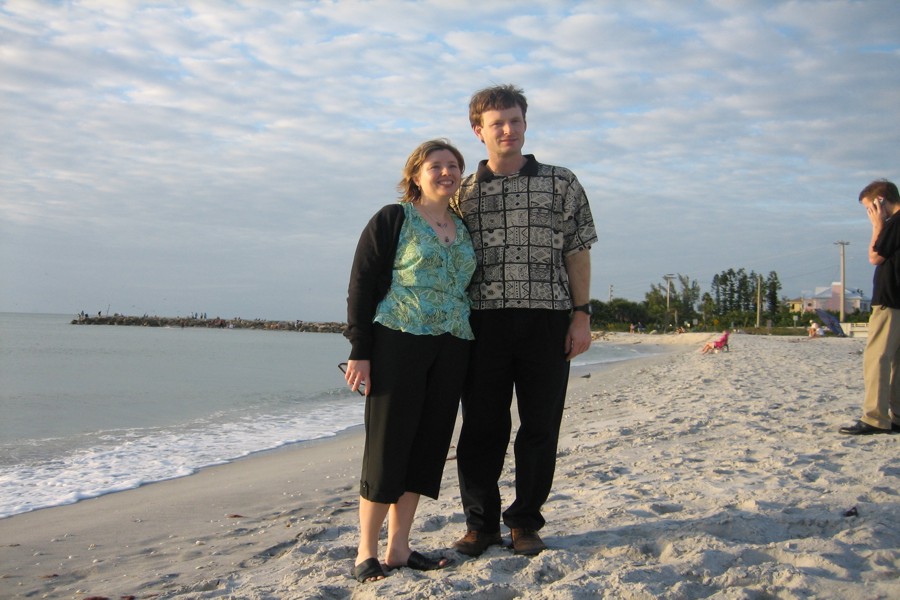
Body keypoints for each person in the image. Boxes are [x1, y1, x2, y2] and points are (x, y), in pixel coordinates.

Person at [450, 84, 597, 557]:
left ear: (525, 124)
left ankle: (525, 521)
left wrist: (581, 315)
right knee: (481, 429)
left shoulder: (562, 182)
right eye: (497, 124)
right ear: (479, 132)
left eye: (514, 121)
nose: (507, 130)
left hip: (548, 319)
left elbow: (577, 251)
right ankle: (481, 524)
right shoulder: (462, 194)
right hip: (482, 324)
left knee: (539, 426)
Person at [343, 139, 477, 581]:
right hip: (398, 339)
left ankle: (399, 548)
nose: (446, 172)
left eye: (453, 166)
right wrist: (360, 351)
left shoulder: (462, 225)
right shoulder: (393, 218)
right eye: (436, 166)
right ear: (416, 174)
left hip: (453, 343)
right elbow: (362, 282)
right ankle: (366, 550)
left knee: (427, 445)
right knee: (387, 445)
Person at [839, 179, 900, 436]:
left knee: (877, 358)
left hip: (890, 302)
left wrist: (877, 226)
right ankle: (897, 416)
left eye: (869, 208)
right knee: (897, 360)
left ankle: (875, 417)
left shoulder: (894, 224)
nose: (869, 213)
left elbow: (875, 256)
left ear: (880, 202)